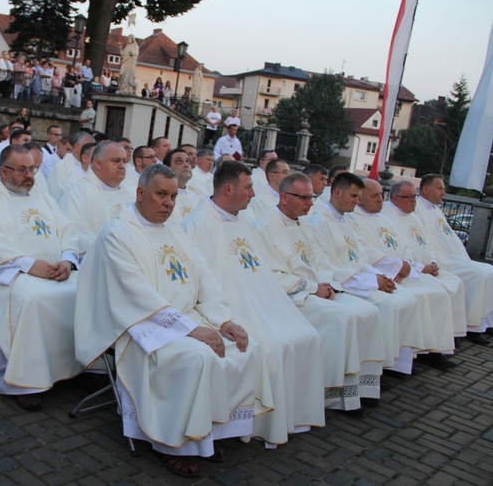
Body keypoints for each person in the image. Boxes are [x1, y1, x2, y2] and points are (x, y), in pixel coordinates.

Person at [74, 163, 273, 476]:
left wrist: (223, 321)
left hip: (184, 317)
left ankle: (205, 435)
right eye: (160, 194)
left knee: (246, 348)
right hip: (141, 324)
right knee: (198, 358)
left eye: (173, 196)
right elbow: (135, 293)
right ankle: (172, 444)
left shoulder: (173, 228)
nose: (168, 203)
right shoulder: (118, 233)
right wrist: (190, 329)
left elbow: (204, 276)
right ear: (140, 193)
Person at [182, 161, 325, 446]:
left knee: (307, 336)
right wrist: (222, 318)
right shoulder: (198, 223)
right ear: (228, 188)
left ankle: (291, 416)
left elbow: (262, 269)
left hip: (261, 300)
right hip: (229, 307)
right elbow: (197, 282)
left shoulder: (242, 221)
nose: (253, 194)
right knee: (273, 345)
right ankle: (259, 423)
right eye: (248, 188)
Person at [0, 144, 83, 410]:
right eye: (21, 170)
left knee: (84, 290)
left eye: (32, 169)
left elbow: (67, 230)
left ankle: (71, 364)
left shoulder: (41, 196)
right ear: (3, 171)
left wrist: (67, 260)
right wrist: (29, 265)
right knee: (33, 298)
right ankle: (24, 381)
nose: (29, 175)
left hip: (53, 270)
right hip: (6, 275)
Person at [254, 172, 388, 407]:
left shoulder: (306, 224)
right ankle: (332, 395)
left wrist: (326, 285)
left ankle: (357, 388)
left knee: (368, 311)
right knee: (343, 318)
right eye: (304, 198)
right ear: (284, 197)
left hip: (318, 290)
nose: (310, 203)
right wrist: (313, 288)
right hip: (292, 297)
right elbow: (271, 275)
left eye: (312, 197)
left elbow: (323, 261)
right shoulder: (264, 227)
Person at [306, 172, 430, 375]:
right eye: (354, 196)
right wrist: (371, 280)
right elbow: (329, 266)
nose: (358, 201)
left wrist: (378, 276)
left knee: (406, 297)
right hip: (346, 283)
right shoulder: (319, 222)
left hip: (361, 278)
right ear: (338, 193)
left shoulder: (345, 220)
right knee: (387, 305)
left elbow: (360, 257)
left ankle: (395, 363)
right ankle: (371, 370)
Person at [347, 179, 460, 368]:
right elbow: (365, 251)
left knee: (439, 293)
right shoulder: (352, 219)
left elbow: (406, 245)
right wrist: (396, 267)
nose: (379, 200)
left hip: (401, 272)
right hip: (385, 274)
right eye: (374, 196)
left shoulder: (384, 217)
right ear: (359, 198)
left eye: (380, 195)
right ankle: (400, 362)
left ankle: (431, 350)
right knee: (418, 298)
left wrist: (406, 264)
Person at [381, 181, 471, 342]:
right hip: (409, 271)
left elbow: (426, 242)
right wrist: (421, 268)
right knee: (438, 292)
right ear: (395, 199)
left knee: (455, 282)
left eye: (414, 196)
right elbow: (401, 250)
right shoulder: (387, 216)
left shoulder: (414, 216)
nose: (413, 200)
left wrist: (433, 262)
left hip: (423, 268)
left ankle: (449, 335)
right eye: (408, 197)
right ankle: (430, 343)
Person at [411, 175, 493, 343]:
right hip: (442, 260)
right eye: (440, 188)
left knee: (489, 271)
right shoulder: (417, 209)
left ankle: (485, 322)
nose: (444, 193)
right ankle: (472, 326)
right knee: (482, 274)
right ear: (426, 189)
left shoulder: (435, 209)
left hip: (455, 257)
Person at [59, 141, 133, 254]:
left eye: (124, 161)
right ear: (98, 163)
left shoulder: (131, 190)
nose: (122, 165)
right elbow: (76, 234)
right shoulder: (77, 194)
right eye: (116, 161)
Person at [47, 131, 93, 201]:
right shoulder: (61, 167)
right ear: (76, 147)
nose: (90, 151)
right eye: (87, 147)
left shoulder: (91, 168)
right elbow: (55, 196)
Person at [163, 149, 200, 223]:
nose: (186, 165)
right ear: (167, 168)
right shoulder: (162, 196)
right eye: (179, 161)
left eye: (187, 161)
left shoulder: (197, 197)